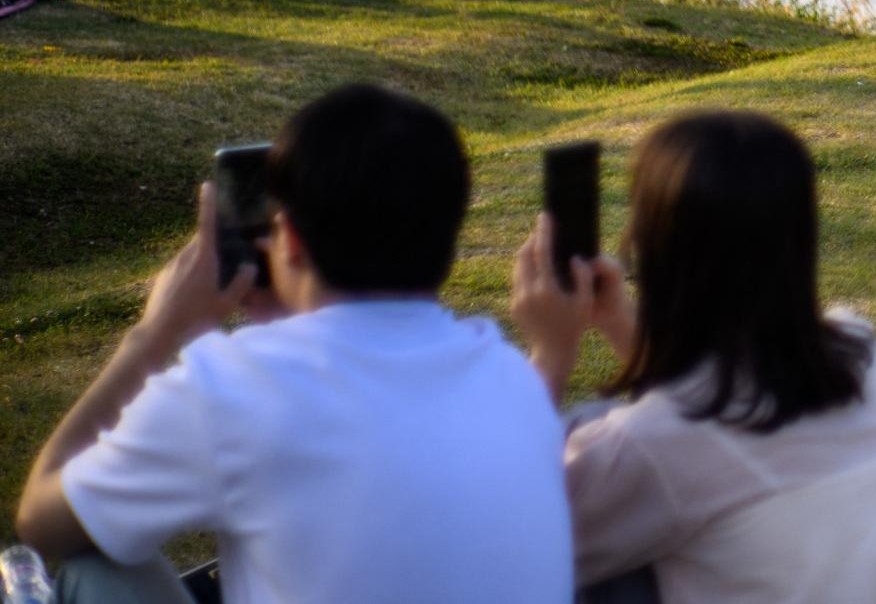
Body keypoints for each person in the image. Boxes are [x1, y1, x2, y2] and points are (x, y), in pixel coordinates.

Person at [14, 84, 572, 604]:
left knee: (95, 567)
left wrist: (152, 335)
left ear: (293, 240)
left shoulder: (229, 387)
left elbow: (40, 521)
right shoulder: (511, 375)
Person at [509, 110, 876, 603]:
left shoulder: (651, 447)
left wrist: (551, 354)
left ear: (655, 244)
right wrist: (618, 322)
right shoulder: (858, 351)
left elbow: (491, 542)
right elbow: (713, 404)